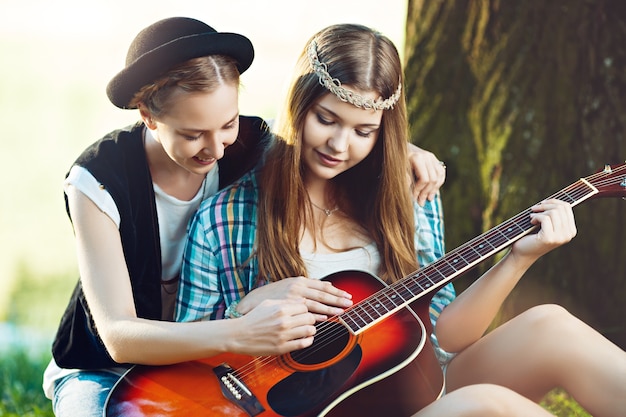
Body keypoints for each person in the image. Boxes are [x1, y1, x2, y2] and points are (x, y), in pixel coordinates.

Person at [176, 23, 626, 416]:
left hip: (421, 389)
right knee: (484, 405)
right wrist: (248, 307)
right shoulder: (227, 217)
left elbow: (445, 337)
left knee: (550, 324)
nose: (340, 144)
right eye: (326, 119)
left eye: (363, 131)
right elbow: (185, 357)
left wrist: (518, 260)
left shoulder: (409, 194)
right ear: (298, 106)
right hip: (323, 406)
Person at [43, 17, 446, 417]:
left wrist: (403, 151)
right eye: (192, 134)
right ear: (148, 116)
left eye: (228, 124)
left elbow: (332, 130)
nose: (215, 148)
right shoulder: (97, 182)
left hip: (207, 364)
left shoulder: (251, 143)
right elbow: (119, 336)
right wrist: (242, 326)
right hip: (104, 369)